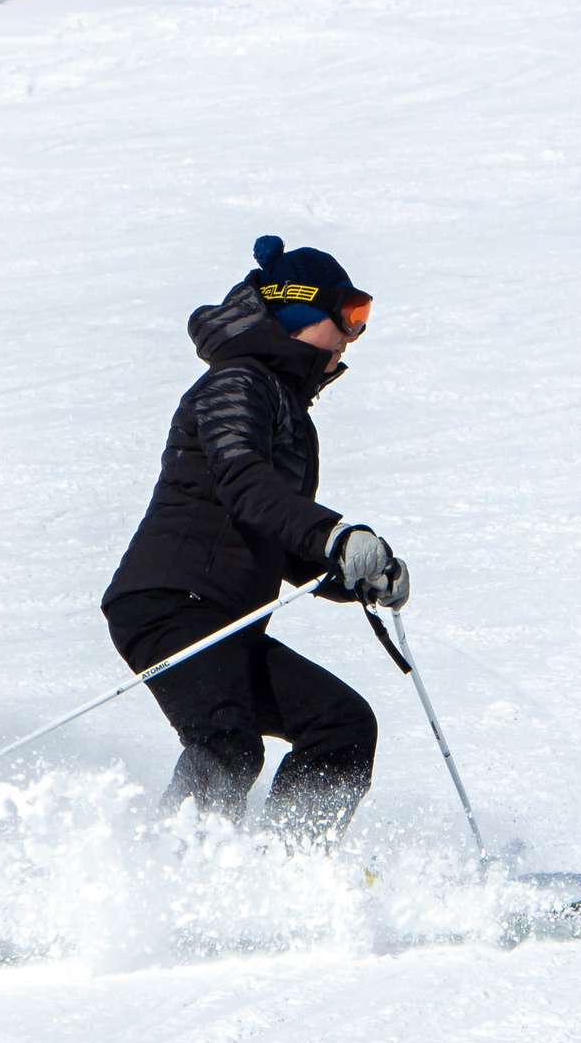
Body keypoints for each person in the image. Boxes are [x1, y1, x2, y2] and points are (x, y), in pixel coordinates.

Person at [101, 235, 408, 842]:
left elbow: (278, 537)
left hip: (222, 619)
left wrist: (355, 574)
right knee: (227, 740)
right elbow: (248, 486)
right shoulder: (236, 383)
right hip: (167, 603)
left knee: (340, 725)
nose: (354, 335)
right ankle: (168, 878)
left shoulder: (284, 404)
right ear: (300, 309)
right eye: (351, 314)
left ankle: (286, 871)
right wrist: (334, 535)